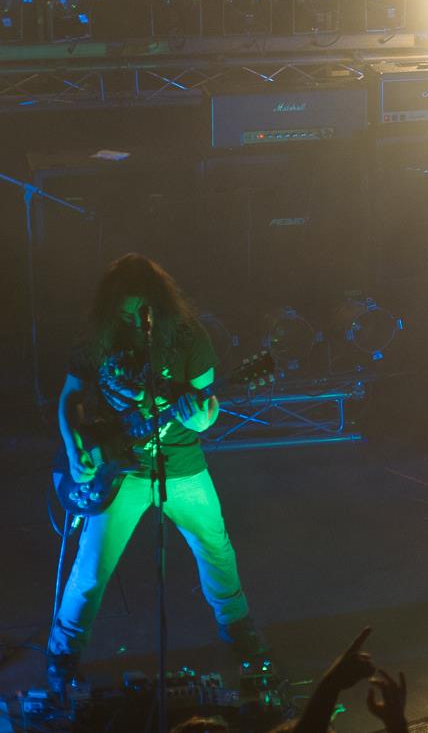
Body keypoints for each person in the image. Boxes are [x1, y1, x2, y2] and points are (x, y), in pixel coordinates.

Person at [47, 254, 266, 685]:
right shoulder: (97, 335)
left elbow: (206, 412)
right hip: (117, 469)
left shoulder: (188, 335)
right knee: (91, 568)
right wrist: (74, 450)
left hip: (181, 463)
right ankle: (63, 652)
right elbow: (70, 396)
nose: (134, 319)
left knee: (216, 550)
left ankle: (238, 628)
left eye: (141, 311)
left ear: (157, 302)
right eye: (125, 312)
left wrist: (196, 416)